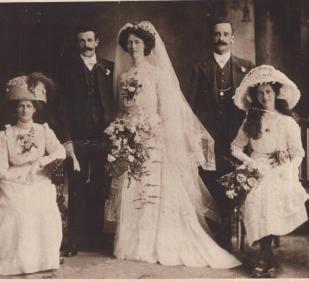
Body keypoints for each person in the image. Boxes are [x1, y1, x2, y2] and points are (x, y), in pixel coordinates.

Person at [106, 21, 241, 268]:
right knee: (134, 189)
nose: (133, 46)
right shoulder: (124, 76)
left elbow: (166, 112)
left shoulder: (156, 74)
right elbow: (122, 110)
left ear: (146, 45)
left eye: (138, 42)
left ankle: (157, 242)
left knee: (154, 190)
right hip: (130, 139)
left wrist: (155, 134)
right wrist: (122, 131)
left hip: (153, 139)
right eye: (130, 42)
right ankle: (134, 244)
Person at [0, 73, 65, 275]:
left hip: (39, 178)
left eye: (29, 106)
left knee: (41, 206)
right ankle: (17, 260)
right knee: (18, 209)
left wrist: (42, 161)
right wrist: (15, 178)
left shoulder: (44, 131)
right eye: (21, 106)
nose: (25, 110)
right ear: (16, 108)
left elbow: (61, 151)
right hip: (12, 181)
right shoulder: (5, 135)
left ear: (35, 109)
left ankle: (41, 259)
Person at [231, 65, 309, 277]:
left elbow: (299, 153)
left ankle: (264, 257)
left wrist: (289, 169)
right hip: (257, 166)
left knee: (270, 195)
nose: (265, 96)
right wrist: (250, 162)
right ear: (255, 96)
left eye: (268, 91)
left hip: (282, 169)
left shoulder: (287, 122)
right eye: (260, 92)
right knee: (256, 197)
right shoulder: (252, 119)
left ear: (276, 93)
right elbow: (235, 147)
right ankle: (268, 257)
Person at [187, 17, 254, 250]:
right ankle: (216, 236)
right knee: (211, 181)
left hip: (237, 138)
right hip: (208, 138)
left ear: (233, 39)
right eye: (217, 34)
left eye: (226, 35)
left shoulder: (247, 67)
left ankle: (235, 234)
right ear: (211, 38)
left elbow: (253, 107)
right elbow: (191, 106)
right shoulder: (199, 68)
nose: (221, 39)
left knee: (236, 180)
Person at [58, 25, 115, 256]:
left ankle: (96, 238)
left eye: (90, 40)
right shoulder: (67, 68)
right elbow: (61, 108)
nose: (86, 45)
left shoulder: (109, 68)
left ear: (97, 41)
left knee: (100, 188)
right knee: (78, 187)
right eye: (81, 41)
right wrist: (67, 139)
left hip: (103, 137)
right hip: (78, 137)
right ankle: (74, 240)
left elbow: (115, 103)